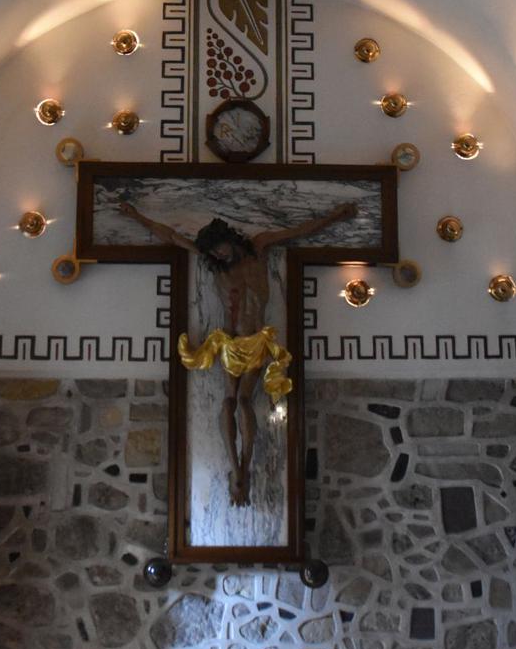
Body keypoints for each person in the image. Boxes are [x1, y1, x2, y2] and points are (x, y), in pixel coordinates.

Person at [117, 199, 358, 506]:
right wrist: (136, 216)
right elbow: (172, 237)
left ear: (229, 238)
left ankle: (245, 465)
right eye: (214, 253)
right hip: (231, 344)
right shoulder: (215, 264)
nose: (219, 255)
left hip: (256, 341)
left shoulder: (259, 247)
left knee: (244, 401)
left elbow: (299, 231)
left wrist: (335, 216)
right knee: (228, 401)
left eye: (220, 248)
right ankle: (236, 468)